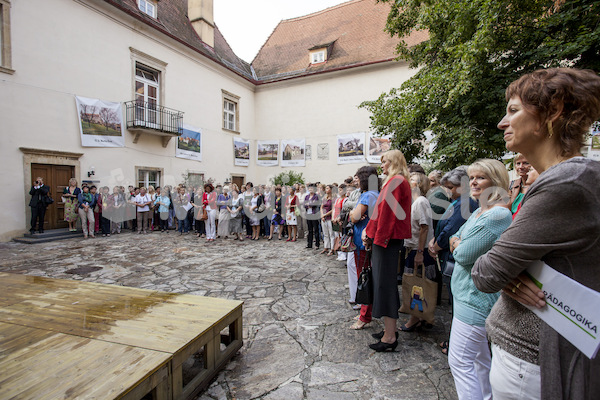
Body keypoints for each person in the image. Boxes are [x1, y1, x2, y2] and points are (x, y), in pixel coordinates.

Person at [472, 68, 600, 400]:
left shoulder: (564, 183)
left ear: (551, 113)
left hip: (530, 364)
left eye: (513, 110)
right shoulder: (565, 179)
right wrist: (511, 274)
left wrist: (509, 272)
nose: (503, 122)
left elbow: (485, 271)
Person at [446, 159, 512, 400]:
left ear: (495, 182)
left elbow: (462, 254)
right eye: (471, 177)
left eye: (480, 177)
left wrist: (458, 244)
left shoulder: (496, 215)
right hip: (466, 294)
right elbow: (455, 237)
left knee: (460, 362)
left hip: (474, 299)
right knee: (479, 361)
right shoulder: (478, 212)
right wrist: (458, 242)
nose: (473, 182)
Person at [362, 149, 412, 352]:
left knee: (385, 285)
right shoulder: (397, 181)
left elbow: (386, 215)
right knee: (384, 284)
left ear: (393, 162)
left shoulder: (395, 181)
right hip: (387, 239)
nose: (381, 165)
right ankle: (388, 330)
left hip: (386, 240)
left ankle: (390, 336)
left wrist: (376, 237)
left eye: (384, 162)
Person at [428, 167, 478, 355]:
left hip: (453, 257)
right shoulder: (457, 201)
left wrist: (437, 244)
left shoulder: (465, 202)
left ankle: (457, 344)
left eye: (451, 187)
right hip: (447, 253)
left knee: (457, 302)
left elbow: (451, 229)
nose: (448, 191)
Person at [399, 171, 436, 332]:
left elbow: (424, 228)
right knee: (416, 284)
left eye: (412, 179)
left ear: (419, 184)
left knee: (417, 285)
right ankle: (423, 317)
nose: (408, 181)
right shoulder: (415, 201)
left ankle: (415, 319)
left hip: (419, 249)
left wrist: (420, 251)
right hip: (415, 248)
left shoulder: (420, 201)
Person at [348, 166, 380, 330]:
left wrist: (353, 212)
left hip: (364, 243)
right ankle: (366, 312)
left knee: (364, 278)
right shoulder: (376, 194)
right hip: (370, 241)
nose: (356, 180)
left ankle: (365, 316)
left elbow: (354, 217)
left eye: (358, 177)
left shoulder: (368, 195)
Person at [304, 184, 321, 249]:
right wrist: (309, 204)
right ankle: (309, 244)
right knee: (310, 230)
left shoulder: (316, 196)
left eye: (312, 188)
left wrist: (309, 204)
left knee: (316, 229)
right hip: (308, 214)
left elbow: (315, 204)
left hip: (314, 214)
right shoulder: (307, 196)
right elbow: (304, 204)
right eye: (309, 188)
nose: (310, 190)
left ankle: (317, 244)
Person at [319, 184, 334, 255]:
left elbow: (333, 209)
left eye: (327, 188)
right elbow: (321, 207)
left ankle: (332, 248)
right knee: (325, 234)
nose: (326, 190)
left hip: (330, 217)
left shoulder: (334, 198)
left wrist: (325, 214)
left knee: (331, 234)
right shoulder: (325, 197)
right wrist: (322, 215)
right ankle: (326, 247)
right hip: (324, 218)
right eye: (326, 188)